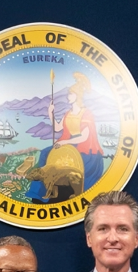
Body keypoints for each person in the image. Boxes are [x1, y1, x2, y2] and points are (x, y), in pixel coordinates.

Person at [27, 71, 105, 202]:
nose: (68, 96)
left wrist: (65, 143)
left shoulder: (86, 113)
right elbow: (58, 128)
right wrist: (51, 114)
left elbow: (84, 137)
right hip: (68, 142)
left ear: (77, 95)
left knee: (78, 166)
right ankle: (40, 192)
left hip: (82, 146)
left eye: (71, 94)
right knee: (45, 153)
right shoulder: (68, 113)